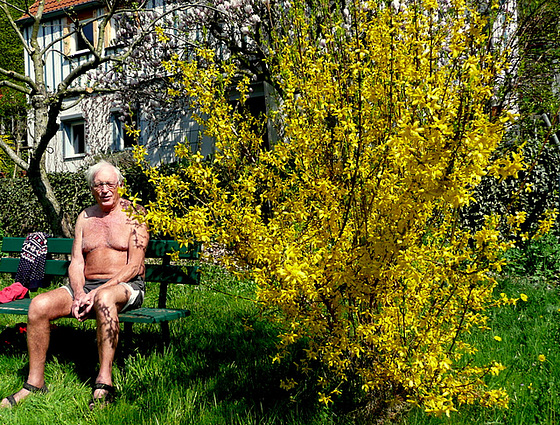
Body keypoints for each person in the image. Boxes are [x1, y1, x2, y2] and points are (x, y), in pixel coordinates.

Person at [1, 160, 149, 409]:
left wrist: (99, 291)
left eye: (109, 184)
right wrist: (79, 292)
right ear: (92, 188)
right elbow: (77, 263)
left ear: (120, 185)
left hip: (125, 285)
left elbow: (134, 266)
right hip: (85, 287)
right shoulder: (85, 217)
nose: (104, 189)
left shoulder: (135, 215)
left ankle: (104, 384)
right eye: (98, 184)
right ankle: (34, 384)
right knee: (38, 305)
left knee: (104, 300)